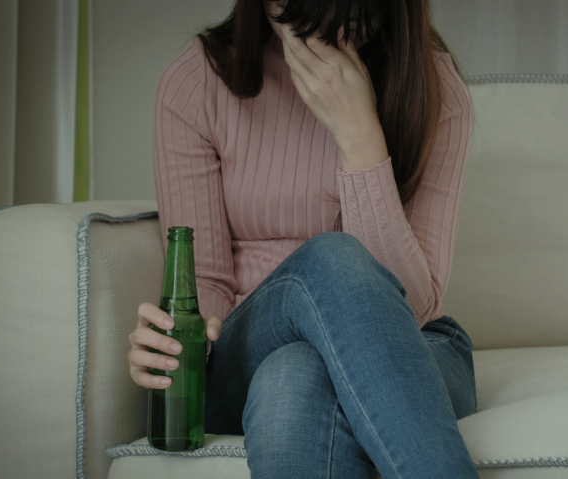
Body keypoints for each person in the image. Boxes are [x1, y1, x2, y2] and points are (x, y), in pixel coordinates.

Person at [127, 0, 477, 476]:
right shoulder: (199, 82)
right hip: (246, 349)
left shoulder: (435, 89)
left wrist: (359, 137)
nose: (322, 39)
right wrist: (179, 343)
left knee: (293, 376)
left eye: (349, 21)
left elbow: (411, 306)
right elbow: (205, 280)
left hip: (414, 345)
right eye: (298, 16)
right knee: (330, 261)